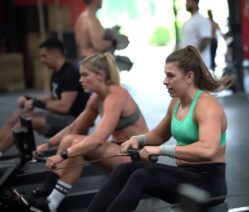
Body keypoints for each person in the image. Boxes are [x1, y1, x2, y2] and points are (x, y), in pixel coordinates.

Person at [87, 45, 230, 212]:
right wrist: (137, 140)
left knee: (142, 176)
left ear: (189, 77)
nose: (165, 81)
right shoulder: (177, 102)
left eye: (170, 76)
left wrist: (160, 150)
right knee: (124, 169)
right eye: (165, 75)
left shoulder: (207, 106)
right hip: (184, 178)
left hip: (208, 187)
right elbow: (158, 134)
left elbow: (208, 150)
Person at [33, 53, 148, 211]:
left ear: (100, 75)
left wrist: (62, 155)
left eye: (84, 75)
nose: (80, 80)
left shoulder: (116, 95)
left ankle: (49, 201)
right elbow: (75, 127)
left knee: (75, 145)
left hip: (138, 159)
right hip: (119, 152)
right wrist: (48, 143)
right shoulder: (97, 98)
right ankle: (46, 197)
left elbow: (97, 140)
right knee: (70, 140)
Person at [0, 38, 89, 156]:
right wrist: (30, 99)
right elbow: (53, 98)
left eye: (44, 56)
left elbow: (64, 106)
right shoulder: (57, 73)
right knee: (17, 116)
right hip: (60, 118)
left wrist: (36, 103)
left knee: (25, 122)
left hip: (74, 121)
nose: (41, 60)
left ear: (56, 54)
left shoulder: (70, 73)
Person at [181, 0, 212, 69]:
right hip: (189, 65)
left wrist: (193, 56)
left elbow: (206, 39)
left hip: (200, 66)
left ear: (196, 2)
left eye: (188, 1)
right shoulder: (187, 22)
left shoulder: (202, 20)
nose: (186, 4)